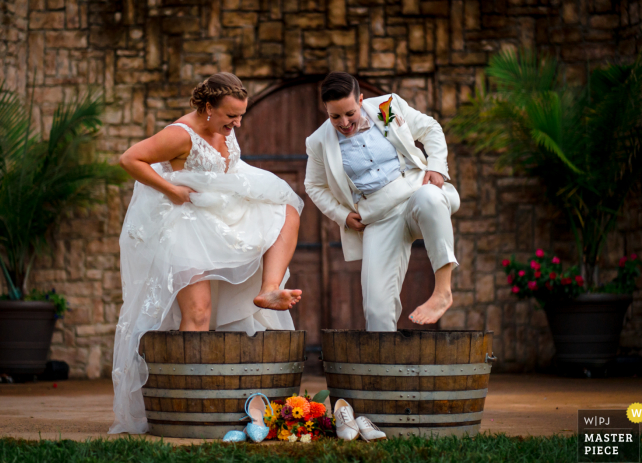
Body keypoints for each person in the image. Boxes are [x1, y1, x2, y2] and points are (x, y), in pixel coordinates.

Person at [109, 72, 304, 434]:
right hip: (185, 228)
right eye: (231, 115)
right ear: (208, 107)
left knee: (287, 208)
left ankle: (268, 287)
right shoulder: (179, 134)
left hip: (220, 219)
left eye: (241, 115)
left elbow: (228, 171)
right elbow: (130, 159)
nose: (237, 122)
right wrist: (171, 190)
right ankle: (188, 408)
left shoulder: (224, 129)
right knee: (198, 314)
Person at [304, 72, 460, 332]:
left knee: (430, 196)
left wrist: (436, 167)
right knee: (375, 309)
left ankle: (443, 291)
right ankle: (386, 370)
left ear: (361, 99)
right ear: (326, 110)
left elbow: (430, 128)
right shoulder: (319, 142)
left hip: (415, 195)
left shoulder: (386, 108)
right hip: (377, 217)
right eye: (335, 116)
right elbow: (314, 185)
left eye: (350, 113)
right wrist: (341, 215)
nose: (344, 122)